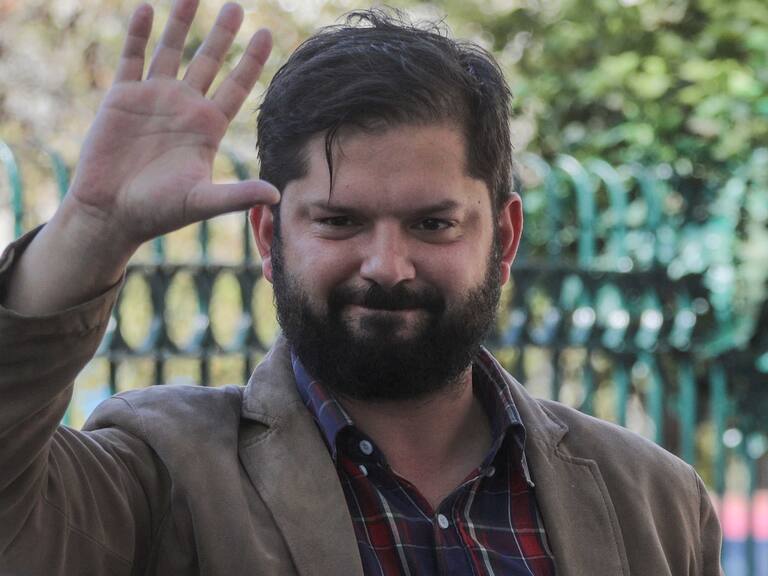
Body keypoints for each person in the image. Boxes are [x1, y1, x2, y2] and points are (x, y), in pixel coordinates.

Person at [0, 0, 723, 574]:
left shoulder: (655, 504)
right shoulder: (161, 472)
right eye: (340, 221)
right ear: (268, 236)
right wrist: (91, 231)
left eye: (433, 224)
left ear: (503, 237)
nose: (387, 265)